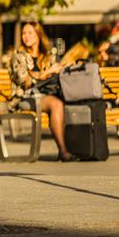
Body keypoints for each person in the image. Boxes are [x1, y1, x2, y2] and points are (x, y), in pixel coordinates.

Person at [8, 22, 78, 162]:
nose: (25, 36)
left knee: (70, 103)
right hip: (24, 98)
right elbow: (25, 82)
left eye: (30, 33)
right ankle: (63, 151)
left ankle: (77, 148)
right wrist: (47, 73)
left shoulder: (47, 55)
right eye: (24, 33)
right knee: (56, 105)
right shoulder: (18, 56)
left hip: (47, 94)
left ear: (38, 35)